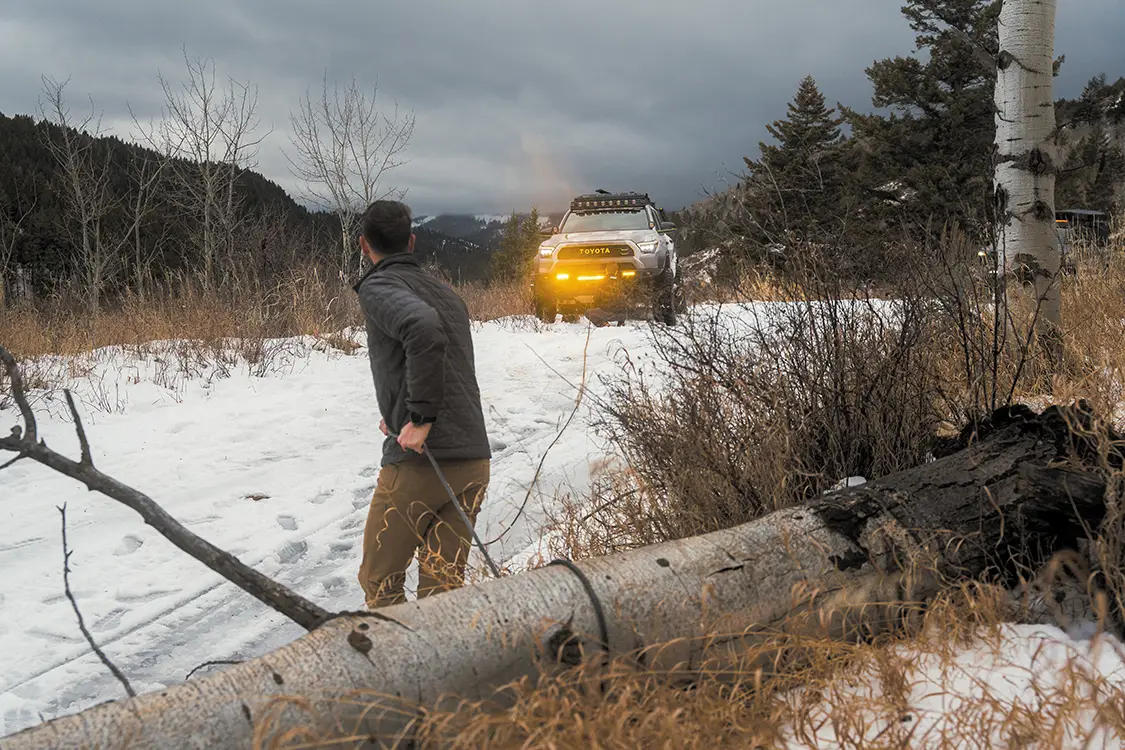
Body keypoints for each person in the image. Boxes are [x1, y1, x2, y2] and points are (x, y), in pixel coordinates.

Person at [352, 199, 492, 609]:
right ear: (411, 242)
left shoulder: (379, 286)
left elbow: (421, 329)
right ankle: (443, 669)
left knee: (380, 581)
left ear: (364, 245)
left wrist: (421, 418)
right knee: (442, 594)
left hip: (423, 463)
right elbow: (438, 357)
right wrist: (400, 411)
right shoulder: (446, 294)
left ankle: (398, 670)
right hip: (472, 460)